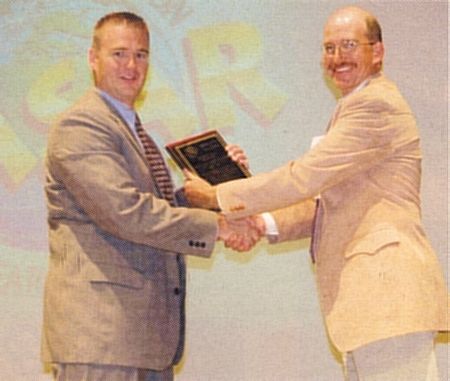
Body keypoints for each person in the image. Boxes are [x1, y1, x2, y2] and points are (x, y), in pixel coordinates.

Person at [184, 6, 448, 381]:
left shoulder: (375, 104)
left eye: (348, 45)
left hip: (388, 300)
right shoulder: (352, 107)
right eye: (328, 48)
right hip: (370, 309)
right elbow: (322, 204)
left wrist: (216, 196)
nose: (337, 58)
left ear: (378, 51)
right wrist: (261, 222)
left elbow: (303, 178)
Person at [41, 11, 259, 381]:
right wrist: (219, 226)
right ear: (93, 59)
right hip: (103, 338)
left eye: (141, 54)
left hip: (142, 339)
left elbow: (149, 210)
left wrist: (209, 192)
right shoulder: (80, 125)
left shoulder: (127, 126)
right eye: (119, 54)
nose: (131, 65)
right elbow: (126, 213)